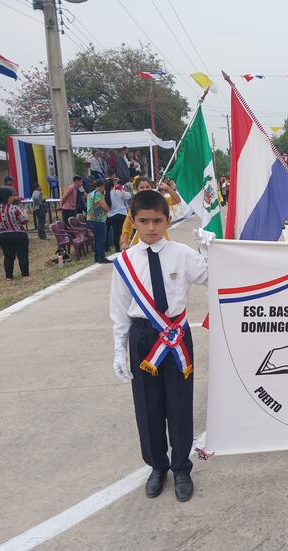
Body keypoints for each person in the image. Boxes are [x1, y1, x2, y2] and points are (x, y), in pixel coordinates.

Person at [110, 190, 208, 502]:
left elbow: (215, 277)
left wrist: (212, 251)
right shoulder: (124, 263)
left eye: (157, 220)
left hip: (177, 336)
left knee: (179, 404)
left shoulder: (183, 254)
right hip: (143, 337)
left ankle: (181, 467)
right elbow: (119, 310)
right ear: (133, 221)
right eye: (143, 221)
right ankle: (157, 466)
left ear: (168, 220)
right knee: (147, 405)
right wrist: (119, 349)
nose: (150, 227)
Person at [120, 178, 181, 250]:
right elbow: (126, 227)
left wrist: (167, 188)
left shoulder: (159, 202)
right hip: (142, 244)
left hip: (160, 241)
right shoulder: (135, 206)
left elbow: (176, 200)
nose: (145, 189)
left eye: (147, 187)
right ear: (137, 190)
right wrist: (124, 242)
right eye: (142, 188)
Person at [0, 186, 30, 280]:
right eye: (12, 196)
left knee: (8, 257)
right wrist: (25, 213)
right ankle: (25, 275)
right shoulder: (15, 208)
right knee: (22, 255)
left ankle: (9, 277)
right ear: (8, 197)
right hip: (18, 234)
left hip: (4, 235)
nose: (13, 197)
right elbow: (24, 220)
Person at [87, 179, 112, 264]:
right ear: (102, 186)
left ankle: (97, 257)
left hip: (90, 219)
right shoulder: (98, 194)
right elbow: (105, 207)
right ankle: (101, 257)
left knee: (97, 239)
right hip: (98, 220)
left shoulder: (90, 194)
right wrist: (108, 209)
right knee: (101, 239)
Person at [108, 177, 131, 252]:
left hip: (112, 215)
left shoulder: (108, 193)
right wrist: (122, 189)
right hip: (122, 213)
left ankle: (117, 247)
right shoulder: (120, 191)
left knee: (115, 232)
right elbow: (128, 196)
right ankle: (123, 244)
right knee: (123, 230)